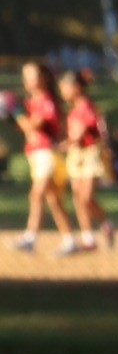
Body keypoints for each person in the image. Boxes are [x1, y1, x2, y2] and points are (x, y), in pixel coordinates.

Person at [13, 60, 71, 251]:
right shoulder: (31, 101)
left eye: (33, 76)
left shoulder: (46, 100)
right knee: (53, 201)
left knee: (36, 195)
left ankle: (30, 237)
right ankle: (69, 240)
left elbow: (32, 126)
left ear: (44, 78)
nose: (29, 80)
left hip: (47, 154)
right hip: (36, 155)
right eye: (26, 76)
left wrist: (15, 112)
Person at [60, 77, 112, 251]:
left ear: (76, 87)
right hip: (76, 154)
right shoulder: (73, 110)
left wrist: (59, 146)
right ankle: (88, 238)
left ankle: (106, 223)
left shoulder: (87, 107)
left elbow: (80, 133)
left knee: (86, 198)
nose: (62, 92)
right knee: (78, 197)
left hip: (90, 153)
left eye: (65, 88)